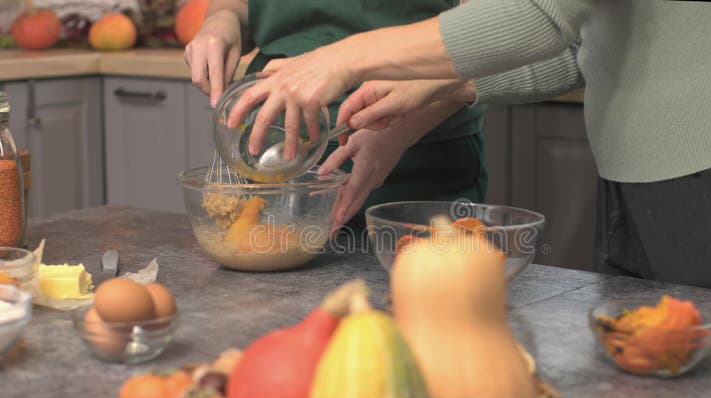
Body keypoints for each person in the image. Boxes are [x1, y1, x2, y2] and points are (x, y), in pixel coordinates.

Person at [226, 0, 711, 300]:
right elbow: (577, 44)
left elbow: (538, 16)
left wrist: (342, 58)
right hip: (642, 182)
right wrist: (436, 90)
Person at [185, 0, 489, 232]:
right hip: (265, 153)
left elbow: (501, 36)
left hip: (415, 161)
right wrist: (222, 18)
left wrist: (400, 132)